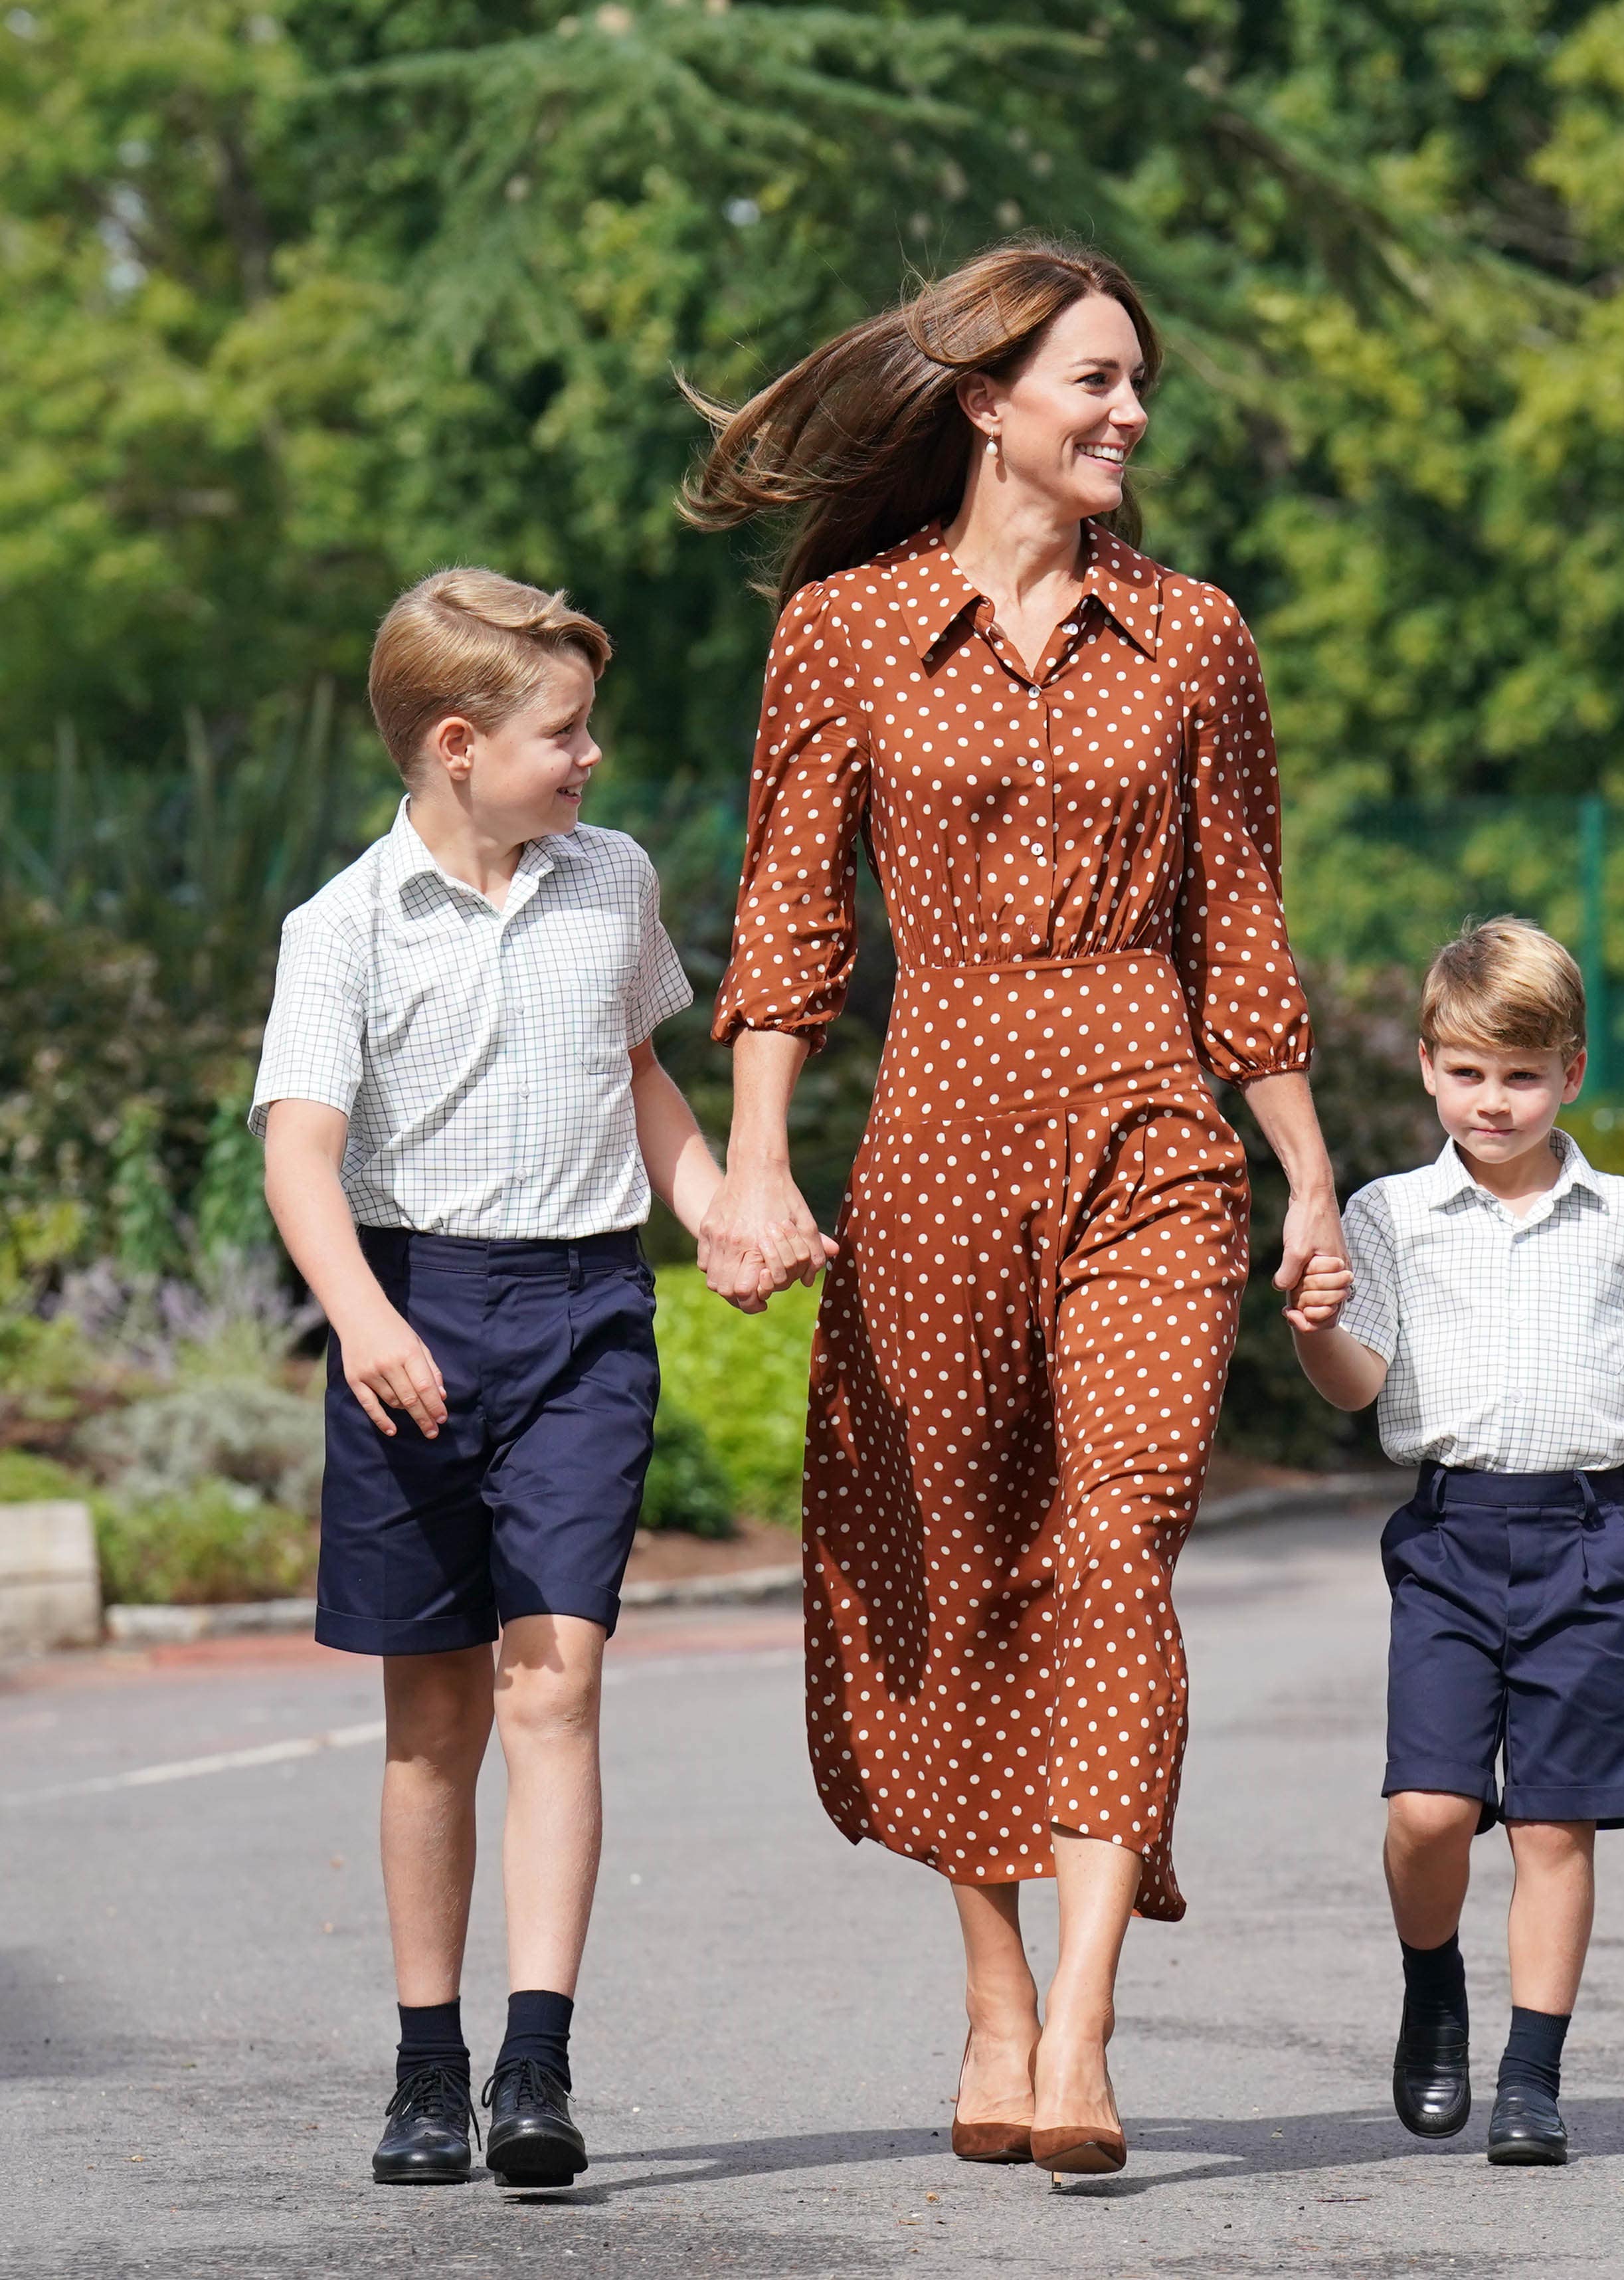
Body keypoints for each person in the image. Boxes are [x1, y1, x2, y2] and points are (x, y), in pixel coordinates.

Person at [680, 239, 1347, 2179]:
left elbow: (1243, 925)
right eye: (1093, 383)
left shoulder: (1198, 632)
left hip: (1154, 1129)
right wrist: (750, 1161)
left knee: (1116, 1545)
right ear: (987, 402)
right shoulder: (846, 636)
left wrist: (1308, 1173)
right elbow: (789, 929)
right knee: (950, 1558)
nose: (1129, 415)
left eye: (1137, 384)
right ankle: (988, 1996)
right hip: (938, 1133)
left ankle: (1078, 2031)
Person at [255, 569, 720, 2188]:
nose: (590, 761)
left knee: (559, 1677)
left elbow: (644, 1073)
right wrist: (363, 1319)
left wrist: (717, 1205)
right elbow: (300, 1157)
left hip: (587, 1313)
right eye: (564, 734)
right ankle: (424, 2067)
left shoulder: (615, 882)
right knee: (434, 1712)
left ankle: (536, 2062)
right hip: (410, 1315)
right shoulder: (344, 928)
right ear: (460, 745)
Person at [1284, 918, 1624, 2166]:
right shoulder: (1388, 1217)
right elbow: (1355, 1386)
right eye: (1466, 1073)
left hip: (1593, 1539)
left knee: (1558, 1823)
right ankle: (1432, 1979)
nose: (1491, 1102)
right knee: (1430, 1812)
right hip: (1451, 1540)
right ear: (1428, 1069)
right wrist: (1311, 1325)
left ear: (1572, 1075)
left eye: (1521, 1075)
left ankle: (1532, 2078)